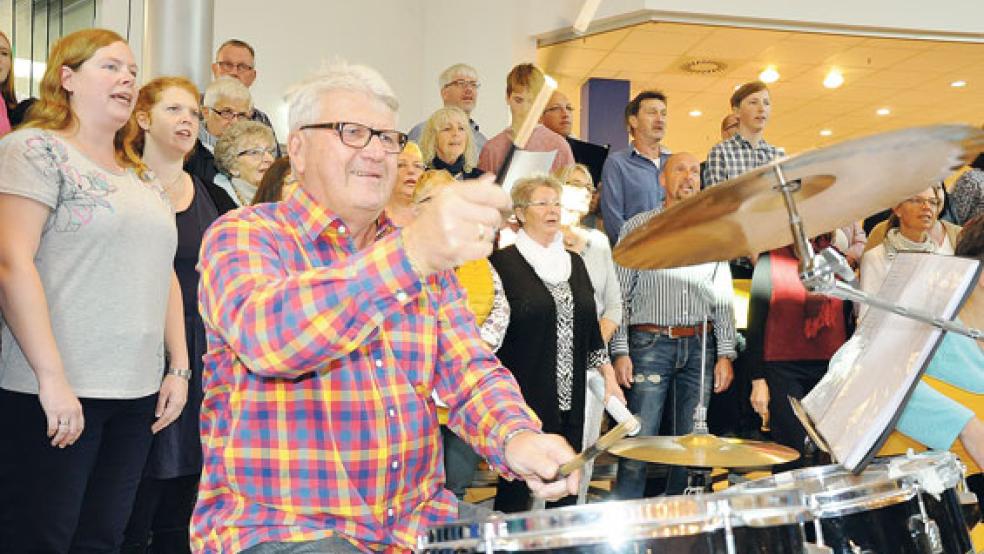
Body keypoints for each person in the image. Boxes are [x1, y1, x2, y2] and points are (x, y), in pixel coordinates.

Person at [190, 60, 580, 553]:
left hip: (414, 520)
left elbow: (468, 368)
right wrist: (409, 254)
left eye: (388, 137)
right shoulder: (245, 235)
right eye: (352, 132)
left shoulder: (415, 257)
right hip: (286, 526)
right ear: (300, 150)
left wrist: (516, 437)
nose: (376, 150)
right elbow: (269, 339)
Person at [0, 29, 188, 552]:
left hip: (135, 392)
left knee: (104, 538)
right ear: (68, 78)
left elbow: (163, 270)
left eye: (132, 71)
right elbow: (11, 263)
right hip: (53, 390)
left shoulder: (143, 175)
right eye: (110, 67)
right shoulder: (32, 149)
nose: (127, 78)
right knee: (40, 537)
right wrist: (52, 378)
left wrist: (177, 366)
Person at [118, 75, 219, 554]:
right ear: (142, 118)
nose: (188, 120)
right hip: (140, 346)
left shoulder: (204, 192)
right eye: (175, 110)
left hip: (199, 350)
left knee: (185, 492)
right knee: (132, 490)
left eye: (195, 113)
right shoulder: (125, 183)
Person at [489, 174, 623, 513]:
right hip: (523, 396)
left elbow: (591, 330)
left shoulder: (574, 262)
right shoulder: (501, 265)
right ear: (519, 213)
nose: (553, 210)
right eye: (543, 203)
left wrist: (607, 376)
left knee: (566, 484)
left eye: (556, 203)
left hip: (572, 396)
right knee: (517, 492)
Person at [610, 153, 737, 498]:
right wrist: (619, 350)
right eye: (679, 169)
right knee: (638, 443)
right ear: (661, 181)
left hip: (701, 348)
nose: (688, 176)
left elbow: (722, 297)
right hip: (649, 345)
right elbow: (618, 295)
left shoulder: (713, 231)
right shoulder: (637, 228)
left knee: (692, 448)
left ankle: (681, 529)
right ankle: (625, 536)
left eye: (694, 170)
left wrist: (725, 352)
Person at [412, 169, 512, 500]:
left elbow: (501, 308)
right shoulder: (402, 259)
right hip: (417, 403)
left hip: (465, 393)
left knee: (455, 487)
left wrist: (473, 345)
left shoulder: (476, 259)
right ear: (417, 208)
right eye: (437, 200)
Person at [860, 186, 961, 309]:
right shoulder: (876, 257)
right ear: (897, 209)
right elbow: (867, 314)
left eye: (933, 202)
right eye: (917, 201)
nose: (927, 207)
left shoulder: (940, 257)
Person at [599, 90, 672, 244]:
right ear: (633, 121)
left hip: (673, 255)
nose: (660, 119)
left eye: (663, 114)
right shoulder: (617, 164)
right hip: (634, 258)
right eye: (652, 113)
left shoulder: (674, 164)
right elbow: (613, 220)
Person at [478, 63, 574, 176]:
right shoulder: (492, 149)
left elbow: (571, 189)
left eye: (531, 101)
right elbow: (484, 192)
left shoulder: (559, 146)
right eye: (518, 100)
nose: (524, 109)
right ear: (507, 98)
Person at [184, 76, 253, 212]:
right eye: (226, 113)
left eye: (242, 115)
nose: (235, 122)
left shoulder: (254, 153)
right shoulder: (187, 151)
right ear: (205, 112)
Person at [703, 81, 785, 188]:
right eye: (753, 102)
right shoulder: (721, 152)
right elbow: (717, 202)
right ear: (736, 111)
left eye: (766, 103)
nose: (761, 109)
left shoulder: (777, 155)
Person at [211, 38, 281, 156]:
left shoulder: (261, 120)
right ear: (214, 69)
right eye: (227, 65)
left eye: (242, 67)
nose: (234, 72)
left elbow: (274, 168)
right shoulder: (194, 109)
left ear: (253, 76)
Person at [407, 63, 486, 152]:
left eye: (473, 84)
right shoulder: (422, 132)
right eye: (461, 83)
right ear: (444, 93)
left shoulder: (482, 142)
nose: (469, 89)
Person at [540, 91, 609, 186]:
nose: (565, 114)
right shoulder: (528, 149)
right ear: (539, 117)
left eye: (569, 108)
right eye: (556, 108)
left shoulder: (593, 155)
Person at [212, 119, 277, 207]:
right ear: (233, 166)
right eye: (254, 152)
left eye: (270, 151)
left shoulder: (284, 194)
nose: (269, 159)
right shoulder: (217, 203)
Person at [418, 107, 483, 180]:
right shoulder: (420, 177)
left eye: (461, 128)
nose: (456, 133)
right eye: (447, 129)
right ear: (433, 138)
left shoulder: (479, 179)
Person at [385, 141, 425, 227]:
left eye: (417, 166)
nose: (411, 171)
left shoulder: (434, 217)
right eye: (401, 165)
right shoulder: (370, 218)